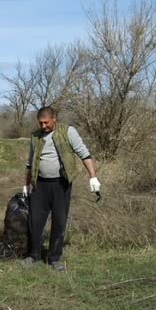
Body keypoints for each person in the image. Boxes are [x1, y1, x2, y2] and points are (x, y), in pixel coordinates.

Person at [23, 106, 100, 271]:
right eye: (40, 123)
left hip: (61, 184)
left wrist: (93, 177)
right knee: (35, 222)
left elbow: (84, 154)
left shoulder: (68, 132)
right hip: (39, 185)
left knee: (59, 222)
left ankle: (54, 258)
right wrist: (26, 184)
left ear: (54, 119)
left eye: (46, 122)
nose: (43, 126)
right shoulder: (35, 136)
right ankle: (33, 255)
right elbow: (30, 163)